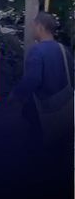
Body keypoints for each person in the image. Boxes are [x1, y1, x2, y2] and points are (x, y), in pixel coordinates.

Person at [10, 12, 74, 146]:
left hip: (42, 110)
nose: (32, 30)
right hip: (66, 107)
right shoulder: (64, 50)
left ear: (40, 27)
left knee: (36, 145)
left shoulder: (37, 51)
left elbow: (32, 79)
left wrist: (16, 95)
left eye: (33, 26)